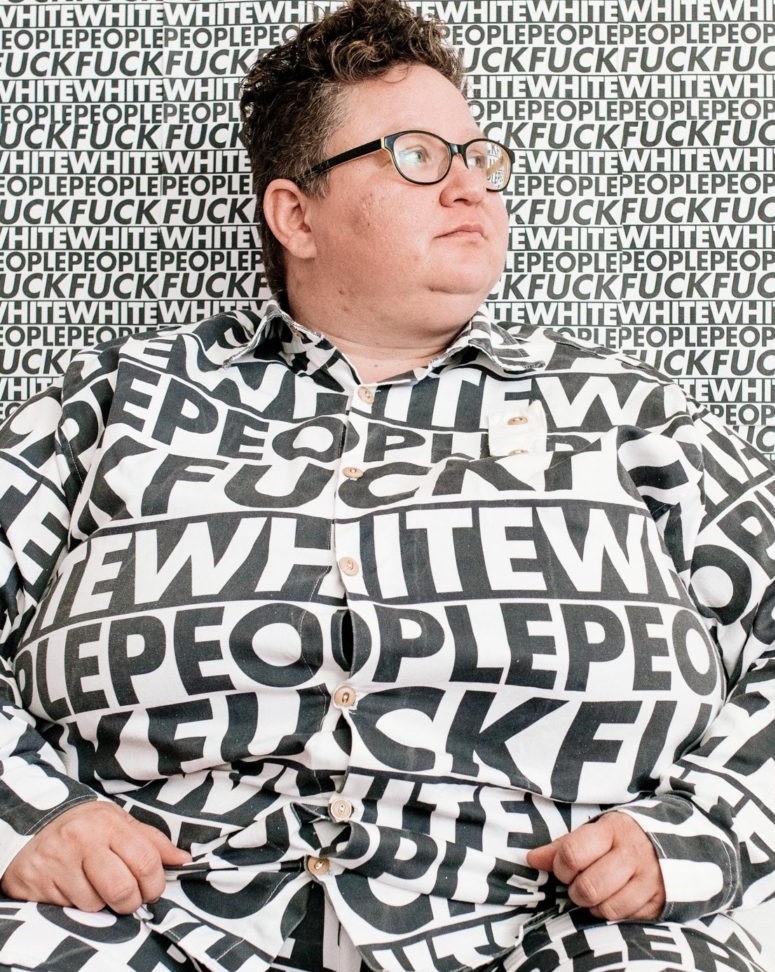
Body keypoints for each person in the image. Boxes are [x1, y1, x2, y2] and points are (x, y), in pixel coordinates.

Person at [0, 1, 774, 970]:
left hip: (557, 926)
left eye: (478, 157)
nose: (469, 185)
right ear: (297, 215)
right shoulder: (118, 401)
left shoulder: (629, 418)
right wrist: (29, 814)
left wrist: (699, 831)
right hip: (149, 920)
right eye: (416, 156)